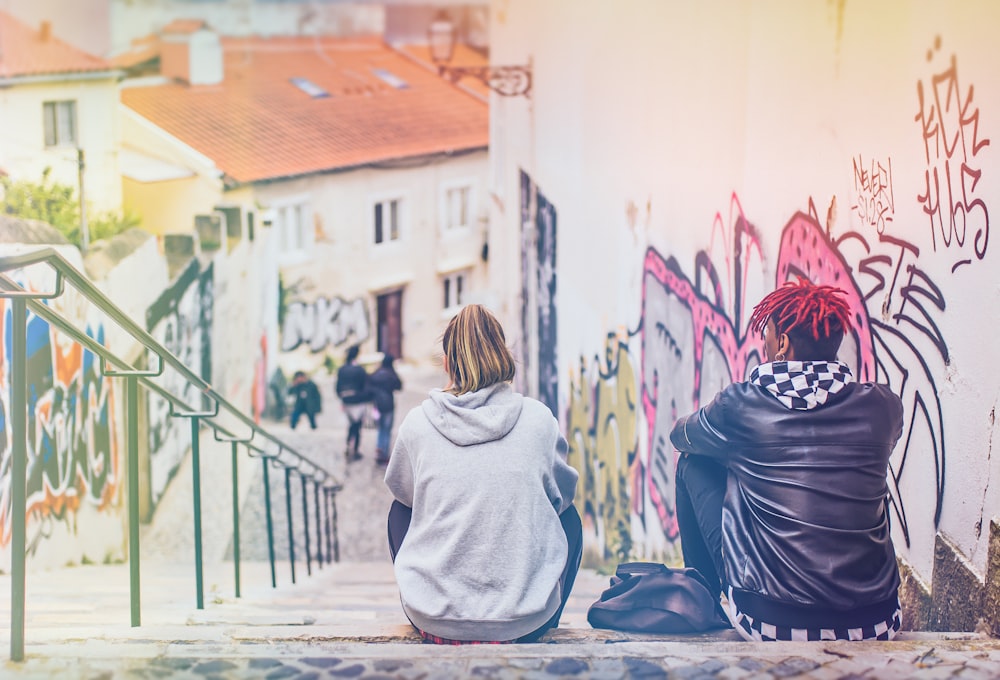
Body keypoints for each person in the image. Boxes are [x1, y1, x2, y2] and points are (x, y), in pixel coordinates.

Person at [669, 278, 904, 642]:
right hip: (875, 620)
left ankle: (706, 603)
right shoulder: (882, 407)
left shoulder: (741, 405)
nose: (763, 341)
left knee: (694, 462)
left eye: (768, 332)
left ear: (782, 343)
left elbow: (681, 437)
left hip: (771, 620)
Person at [384, 304, 582, 644]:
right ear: (502, 357)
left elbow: (404, 495)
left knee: (401, 509)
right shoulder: (539, 420)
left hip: (434, 620)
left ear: (447, 363)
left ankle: (425, 591)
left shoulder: (417, 424)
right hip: (525, 622)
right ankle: (545, 611)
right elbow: (564, 496)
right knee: (568, 517)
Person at [336, 344, 370, 461]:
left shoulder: (342, 369)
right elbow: (365, 386)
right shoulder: (360, 370)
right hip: (358, 401)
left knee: (351, 424)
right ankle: (355, 449)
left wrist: (342, 397)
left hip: (346, 401)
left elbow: (338, 387)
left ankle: (347, 445)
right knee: (357, 426)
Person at [367, 353, 403, 465]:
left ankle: (379, 447)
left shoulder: (375, 373)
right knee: (387, 430)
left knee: (380, 428)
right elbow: (399, 386)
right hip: (388, 405)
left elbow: (368, 386)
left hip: (377, 405)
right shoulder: (391, 374)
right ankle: (384, 453)